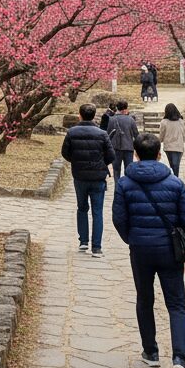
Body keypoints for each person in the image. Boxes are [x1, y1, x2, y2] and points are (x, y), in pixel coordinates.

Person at [113, 132, 185, 368]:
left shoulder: (125, 183)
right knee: (176, 305)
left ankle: (150, 351)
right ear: (160, 154)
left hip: (140, 249)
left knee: (144, 298)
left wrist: (132, 239)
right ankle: (180, 358)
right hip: (170, 250)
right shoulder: (175, 183)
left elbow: (119, 219)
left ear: (136, 154)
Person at [61, 103, 114, 257]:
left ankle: (83, 241)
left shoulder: (72, 132)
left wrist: (77, 161)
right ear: (94, 115)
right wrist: (101, 162)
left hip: (80, 176)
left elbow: (65, 153)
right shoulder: (102, 134)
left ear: (80, 114)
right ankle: (96, 247)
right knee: (97, 211)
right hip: (98, 177)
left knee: (82, 208)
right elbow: (111, 156)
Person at [106, 100, 140, 179]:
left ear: (117, 108)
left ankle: (117, 188)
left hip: (115, 148)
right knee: (128, 170)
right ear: (126, 108)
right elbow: (136, 135)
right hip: (128, 147)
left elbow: (108, 134)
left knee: (116, 170)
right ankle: (127, 188)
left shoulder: (111, 119)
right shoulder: (131, 120)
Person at [159, 104, 185, 177]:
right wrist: (183, 140)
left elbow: (162, 134)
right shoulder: (180, 121)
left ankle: (174, 179)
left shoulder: (164, 122)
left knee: (172, 164)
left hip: (168, 146)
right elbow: (184, 133)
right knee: (176, 165)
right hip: (178, 146)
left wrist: (160, 141)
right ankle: (175, 179)